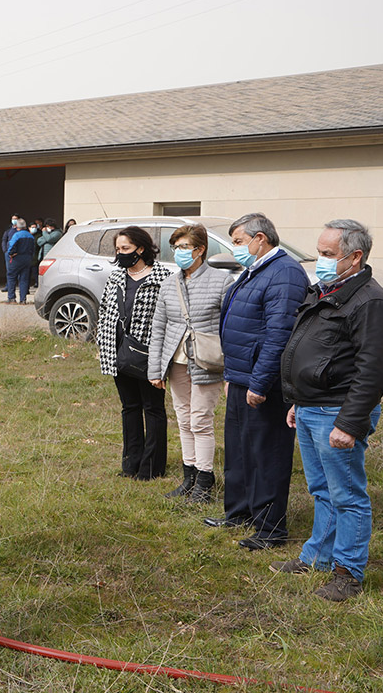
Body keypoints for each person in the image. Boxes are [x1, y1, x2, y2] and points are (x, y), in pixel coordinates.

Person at [274, 219, 383, 600]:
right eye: (320, 251)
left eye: (328, 254)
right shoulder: (325, 290)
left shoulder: (371, 302)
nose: (320, 260)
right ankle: (317, 557)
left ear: (355, 256)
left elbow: (373, 370)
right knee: (321, 490)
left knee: (347, 496)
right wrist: (297, 399)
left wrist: (350, 422)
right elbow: (308, 348)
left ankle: (348, 572)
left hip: (337, 413)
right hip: (311, 408)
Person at [204, 213, 309, 550]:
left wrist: (260, 383)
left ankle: (269, 528)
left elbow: (279, 335)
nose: (235, 249)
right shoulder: (255, 270)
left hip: (263, 382)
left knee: (267, 453)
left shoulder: (285, 274)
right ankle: (239, 512)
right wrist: (232, 375)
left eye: (238, 242)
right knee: (238, 450)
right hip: (240, 376)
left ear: (259, 238)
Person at [148, 224, 233, 502]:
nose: (180, 253)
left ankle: (205, 480)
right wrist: (155, 368)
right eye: (176, 248)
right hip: (176, 361)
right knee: (183, 419)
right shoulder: (168, 283)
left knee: (200, 420)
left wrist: (230, 371)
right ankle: (189, 477)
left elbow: (229, 328)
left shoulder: (222, 281)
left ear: (200, 250)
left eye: (185, 247)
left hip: (207, 361)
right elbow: (158, 327)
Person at [97, 226, 171, 480]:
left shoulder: (162, 276)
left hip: (149, 353)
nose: (121, 254)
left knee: (152, 408)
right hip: (118, 352)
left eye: (125, 248)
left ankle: (152, 467)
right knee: (129, 407)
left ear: (140, 248)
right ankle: (130, 464)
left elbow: (168, 318)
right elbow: (105, 310)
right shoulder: (116, 276)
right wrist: (103, 343)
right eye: (118, 249)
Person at [5, 218, 35, 304]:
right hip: (27, 259)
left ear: (17, 227)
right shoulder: (30, 236)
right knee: (24, 279)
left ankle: (11, 298)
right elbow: (33, 249)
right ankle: (23, 299)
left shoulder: (16, 235)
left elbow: (11, 246)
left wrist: (11, 254)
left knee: (11, 277)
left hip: (17, 259)